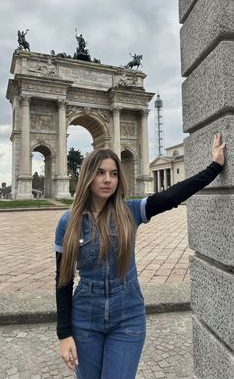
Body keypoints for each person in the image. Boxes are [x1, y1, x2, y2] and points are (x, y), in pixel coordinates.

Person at [54, 133, 225, 379]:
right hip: (85, 319)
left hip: (127, 317)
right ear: (87, 176)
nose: (107, 180)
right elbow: (63, 280)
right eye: (100, 172)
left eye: (113, 173)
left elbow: (171, 196)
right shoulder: (68, 223)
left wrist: (215, 166)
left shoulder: (129, 212)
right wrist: (64, 334)